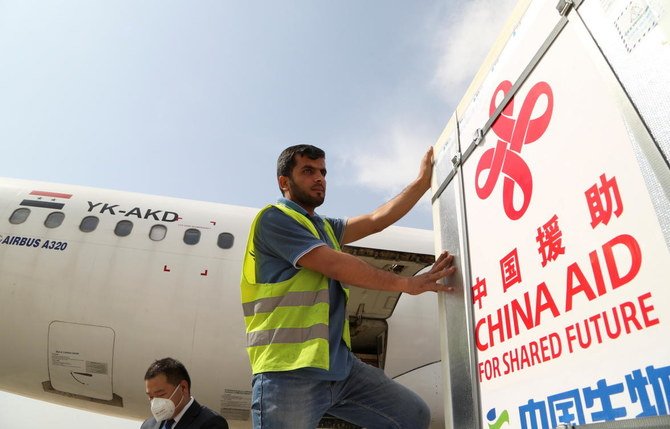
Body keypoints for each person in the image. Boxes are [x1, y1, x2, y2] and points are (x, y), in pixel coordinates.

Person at [240, 144, 456, 429]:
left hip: (340, 369)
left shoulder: (324, 227)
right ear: (284, 181)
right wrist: (407, 283)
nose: (319, 178)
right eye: (308, 171)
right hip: (289, 372)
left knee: (411, 415)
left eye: (322, 172)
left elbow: (377, 220)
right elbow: (337, 265)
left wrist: (421, 181)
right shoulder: (275, 218)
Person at [141, 357, 229, 429]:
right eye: (151, 397)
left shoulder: (211, 423)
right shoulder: (148, 425)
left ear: (183, 387)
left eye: (161, 395)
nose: (155, 403)